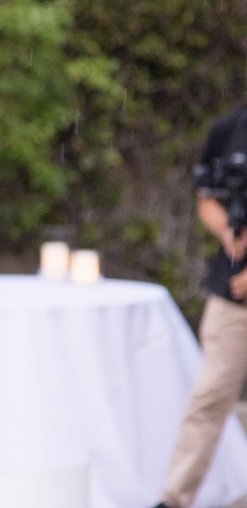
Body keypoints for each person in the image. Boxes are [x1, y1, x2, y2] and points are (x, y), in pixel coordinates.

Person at [152, 103, 247, 508]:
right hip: (232, 292)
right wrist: (228, 232)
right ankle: (174, 499)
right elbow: (207, 197)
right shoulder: (229, 129)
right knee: (208, 397)